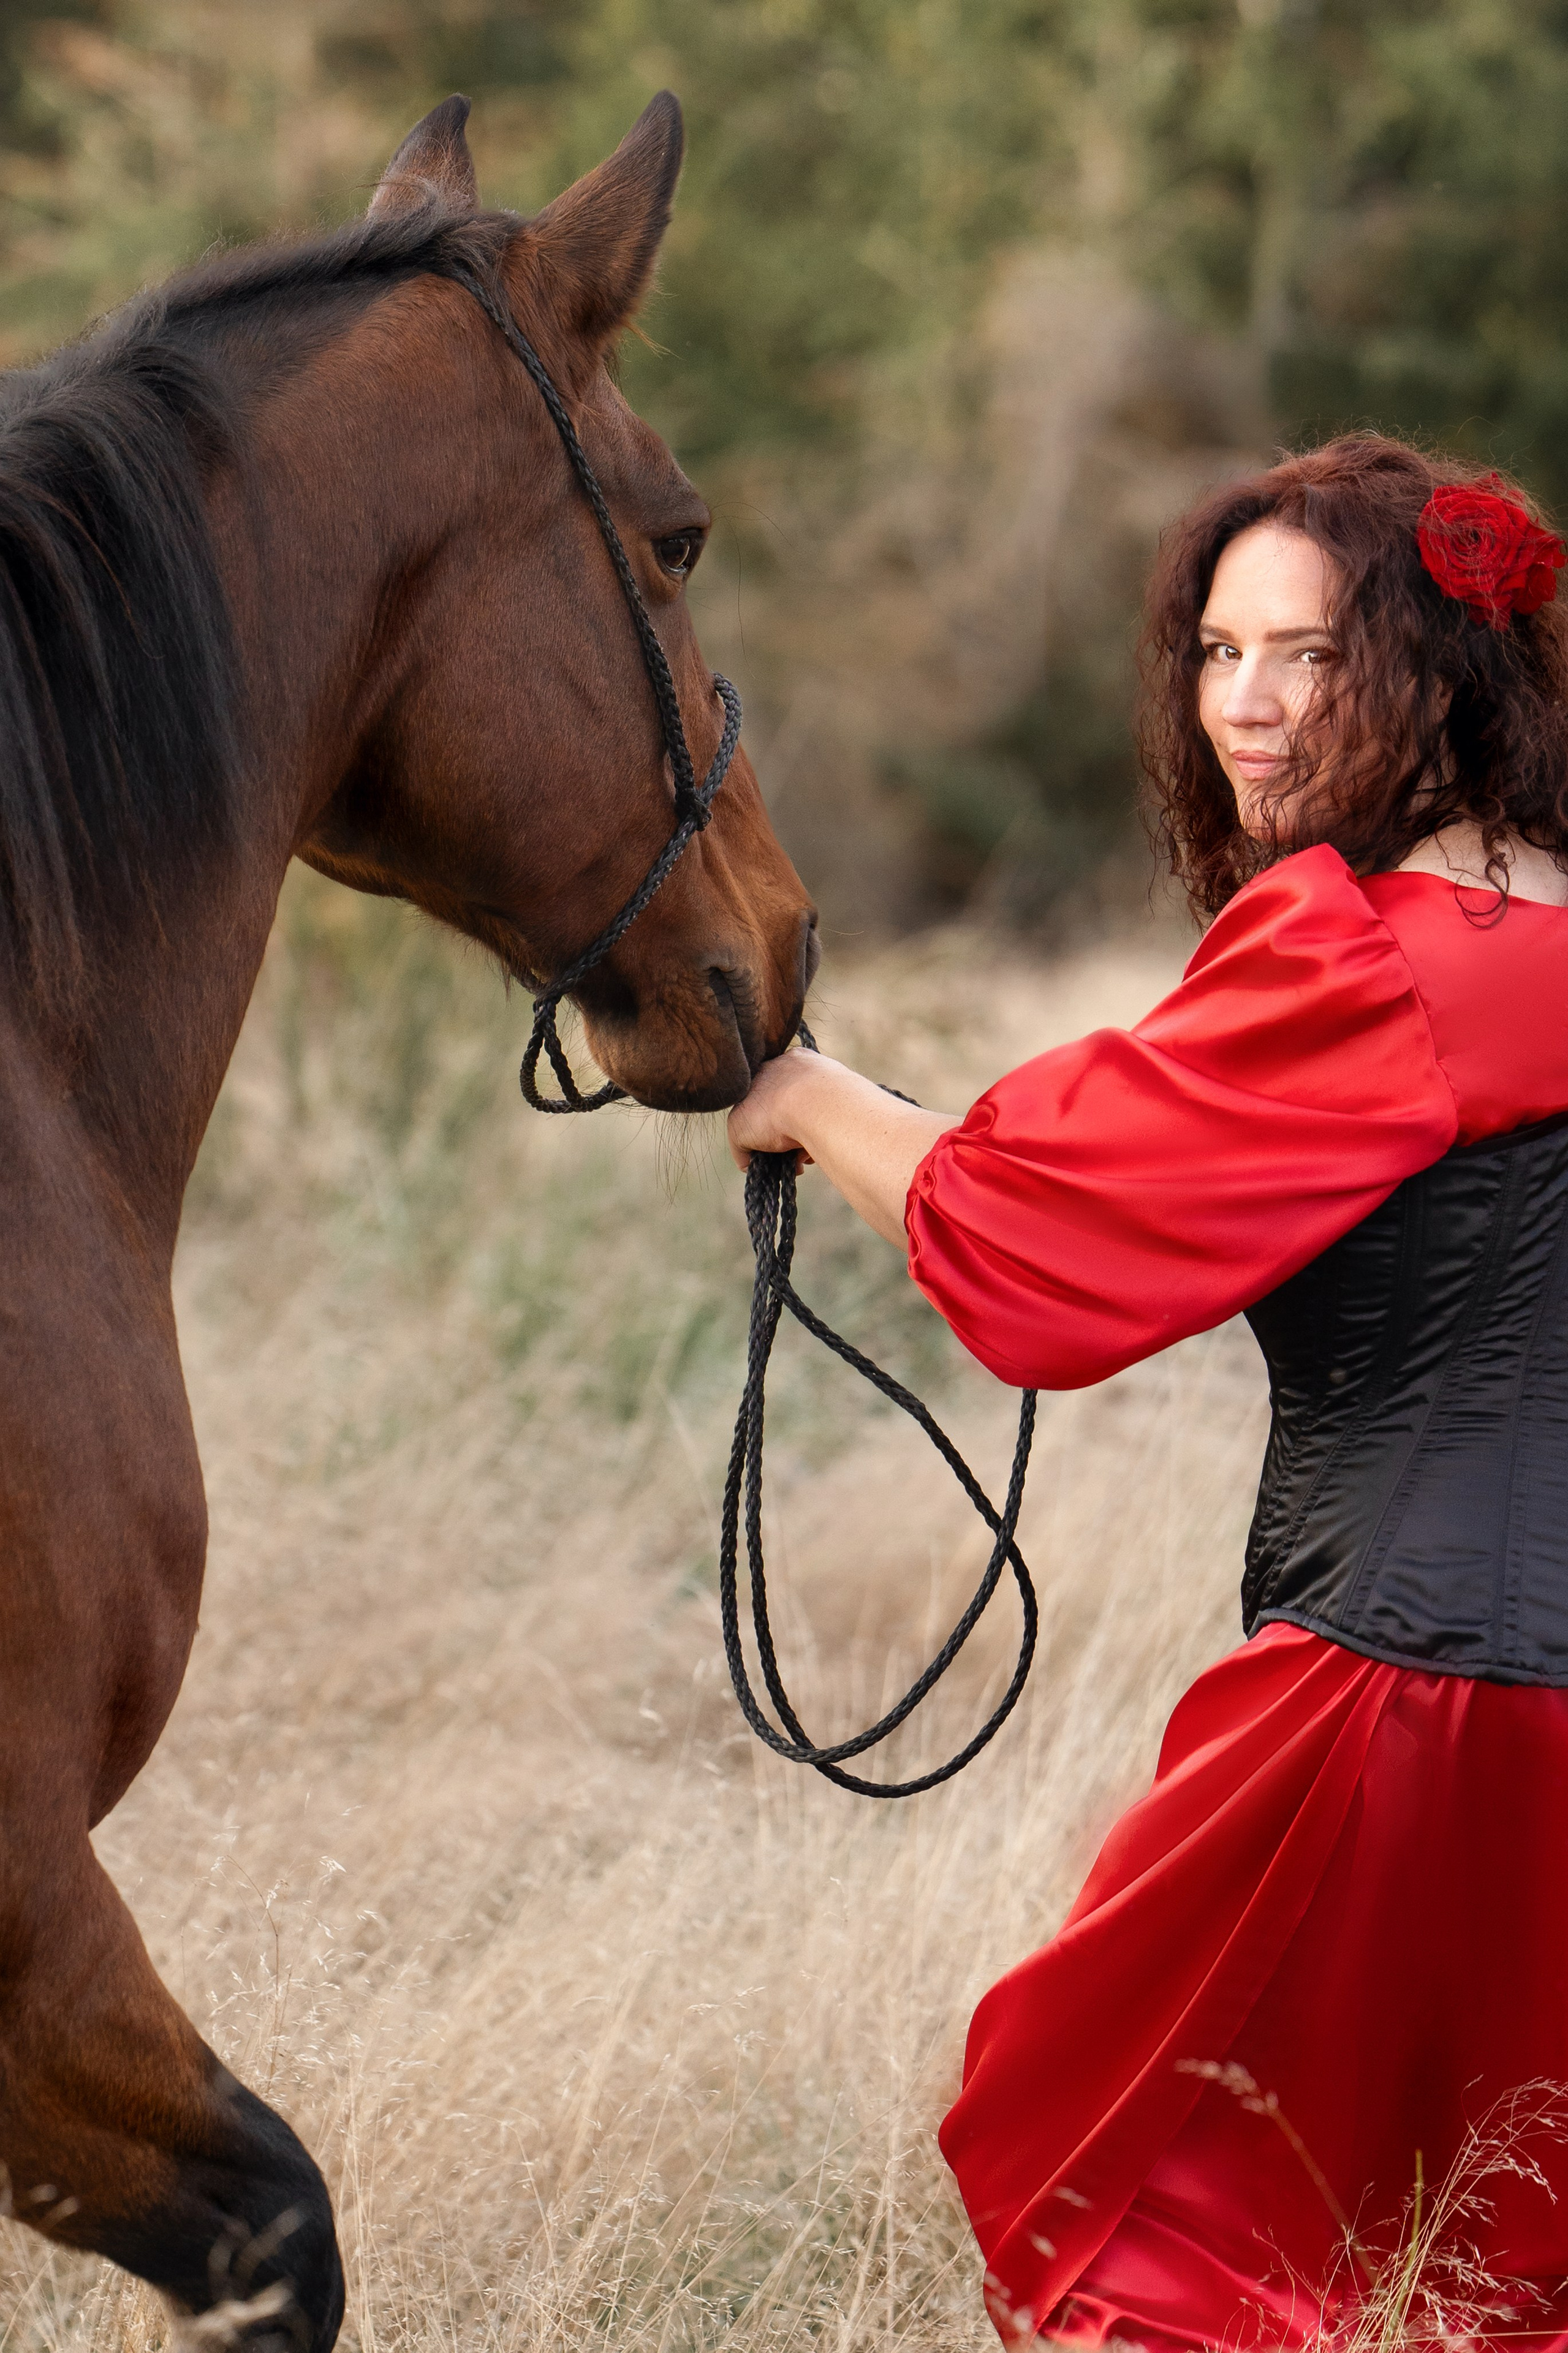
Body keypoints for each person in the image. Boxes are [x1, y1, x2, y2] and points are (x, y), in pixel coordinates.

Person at [725, 434, 1568, 2352]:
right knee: (1500, 2282)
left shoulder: (1375, 953)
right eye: (1217, 653)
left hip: (1420, 1706)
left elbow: (1040, 1237)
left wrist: (801, 1096)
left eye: (1312, 657)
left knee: (1162, 2223)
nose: (1249, 711)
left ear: (1447, 668)